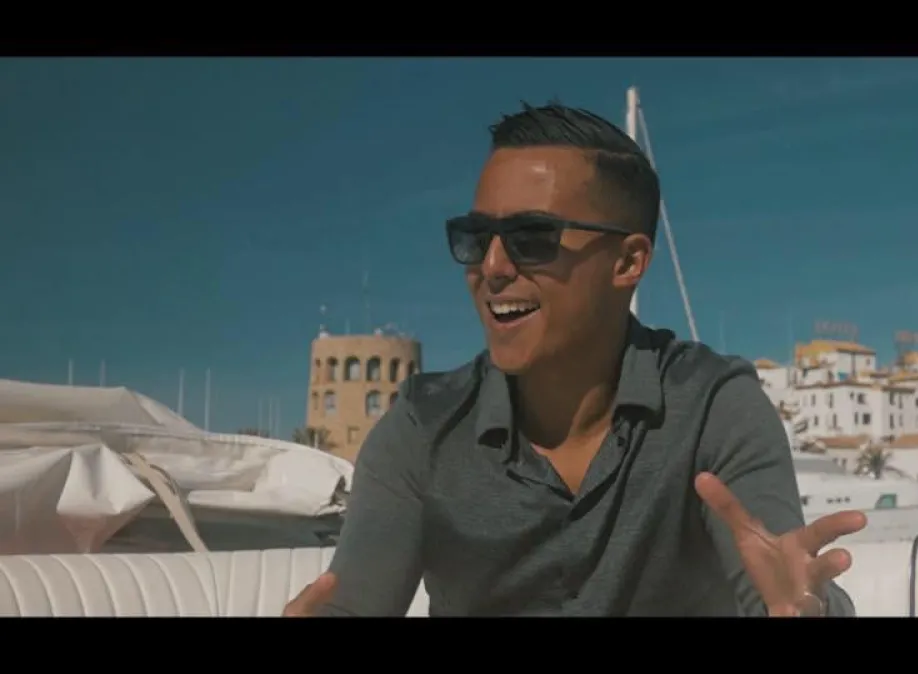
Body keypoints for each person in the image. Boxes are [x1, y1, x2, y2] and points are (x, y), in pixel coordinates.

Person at [285, 102, 867, 617]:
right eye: (476, 237)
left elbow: (786, 587)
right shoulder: (422, 429)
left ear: (628, 262)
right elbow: (350, 605)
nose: (492, 266)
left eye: (531, 237)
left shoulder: (713, 408)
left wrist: (809, 609)